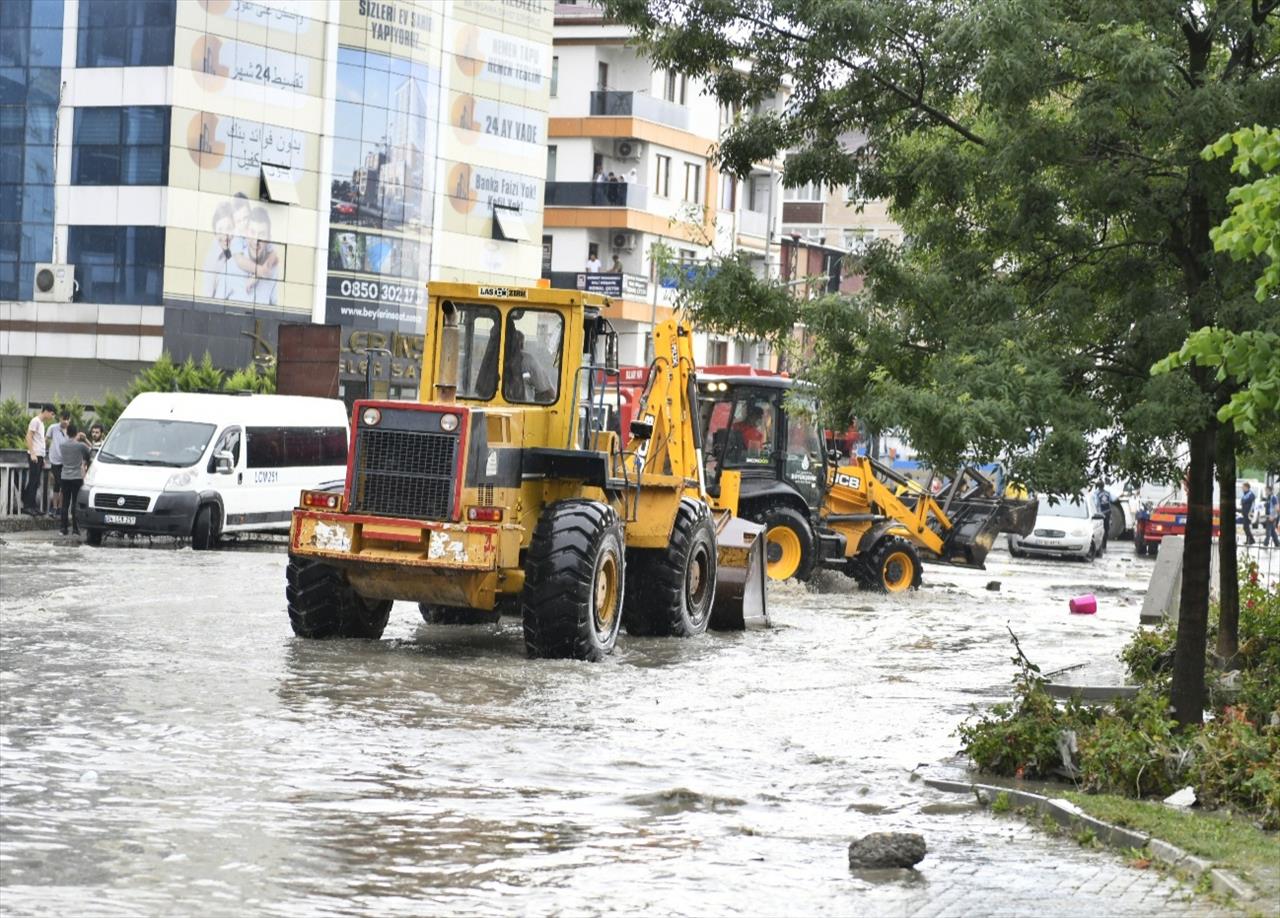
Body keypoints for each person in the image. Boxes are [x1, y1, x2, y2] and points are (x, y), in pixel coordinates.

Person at [58, 424, 93, 536]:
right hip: (77, 476)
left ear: (67, 433)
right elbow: (89, 454)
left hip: (65, 476)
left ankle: (63, 528)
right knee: (74, 503)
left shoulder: (62, 445)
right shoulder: (81, 446)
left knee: (65, 503)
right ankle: (75, 529)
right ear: (76, 433)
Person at [22, 404, 54, 515]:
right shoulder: (35, 421)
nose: (52, 416)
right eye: (52, 413)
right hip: (34, 455)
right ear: (46, 411)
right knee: (33, 480)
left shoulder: (41, 423)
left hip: (39, 456)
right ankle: (27, 506)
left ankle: (32, 505)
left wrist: (43, 456)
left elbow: (40, 441)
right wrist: (33, 453)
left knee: (36, 482)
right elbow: (29, 436)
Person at [47, 410, 70, 518]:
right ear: (60, 418)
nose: (65, 421)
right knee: (57, 483)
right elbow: (46, 440)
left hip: (66, 461)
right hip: (55, 460)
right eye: (63, 418)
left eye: (67, 419)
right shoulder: (53, 427)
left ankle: (59, 508)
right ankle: (55, 507)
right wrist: (44, 457)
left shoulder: (70, 430)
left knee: (62, 485)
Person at [1094, 483, 1112, 552]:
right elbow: (1112, 501)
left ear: (1098, 487)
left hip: (1100, 514)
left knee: (1099, 530)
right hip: (1107, 513)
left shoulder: (1096, 494)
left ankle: (1099, 546)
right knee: (1106, 530)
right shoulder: (1108, 493)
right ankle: (1104, 546)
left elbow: (1096, 504)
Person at [1240, 481, 1256, 546]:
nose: (1242, 488)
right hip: (1245, 513)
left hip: (1248, 513)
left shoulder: (1250, 494)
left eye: (1243, 487)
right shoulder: (1245, 494)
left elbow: (1251, 503)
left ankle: (1251, 540)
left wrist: (1250, 513)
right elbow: (1242, 501)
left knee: (1246, 527)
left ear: (1247, 487)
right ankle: (1249, 540)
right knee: (1246, 527)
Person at [1263, 484, 1280, 549]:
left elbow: (1277, 508)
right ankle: (1277, 543)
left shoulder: (1273, 497)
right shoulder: (1268, 497)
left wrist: (1272, 516)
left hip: (1272, 516)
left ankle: (1265, 544)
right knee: (1272, 531)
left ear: (1270, 491)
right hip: (1268, 516)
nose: (1265, 492)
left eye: (1266, 490)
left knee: (1268, 531)